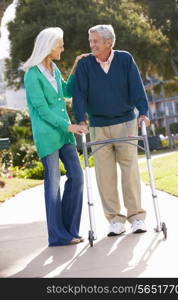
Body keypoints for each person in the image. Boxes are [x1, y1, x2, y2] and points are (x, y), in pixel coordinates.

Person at [73, 24, 150, 237]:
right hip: (98, 125)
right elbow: (79, 94)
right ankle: (115, 220)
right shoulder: (85, 64)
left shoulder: (125, 59)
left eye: (95, 41)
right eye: (90, 41)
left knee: (130, 171)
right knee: (104, 175)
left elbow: (137, 86)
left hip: (126, 122)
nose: (91, 45)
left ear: (108, 42)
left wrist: (143, 112)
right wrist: (80, 120)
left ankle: (137, 217)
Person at [23, 27, 88, 247]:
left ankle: (69, 230)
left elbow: (67, 92)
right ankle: (57, 236)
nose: (62, 47)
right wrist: (69, 126)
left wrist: (77, 67)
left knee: (77, 177)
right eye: (60, 44)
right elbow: (41, 109)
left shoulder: (55, 69)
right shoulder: (32, 74)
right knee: (53, 184)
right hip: (48, 135)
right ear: (49, 46)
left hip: (64, 134)